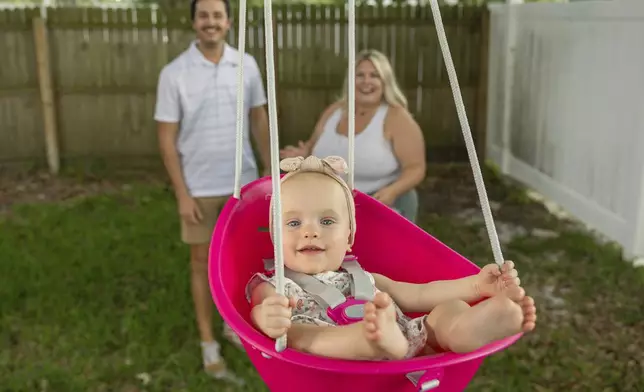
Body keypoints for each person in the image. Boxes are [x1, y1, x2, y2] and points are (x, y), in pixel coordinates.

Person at [246, 155, 537, 360]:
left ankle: (475, 325)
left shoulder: (363, 277)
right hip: (332, 354)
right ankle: (370, 341)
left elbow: (420, 294)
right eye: (294, 223)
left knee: (447, 309)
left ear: (349, 237)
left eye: (326, 222)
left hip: (405, 338)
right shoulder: (273, 284)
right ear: (275, 238)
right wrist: (266, 317)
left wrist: (475, 286)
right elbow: (258, 309)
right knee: (298, 334)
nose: (310, 232)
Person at [154, 0, 271, 377]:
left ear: (228, 22)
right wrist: (182, 194)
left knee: (242, 260)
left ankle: (233, 325)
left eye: (217, 16)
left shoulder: (247, 65)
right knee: (201, 263)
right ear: (193, 23)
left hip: (244, 184)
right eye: (203, 16)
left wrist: (269, 172)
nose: (210, 22)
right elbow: (166, 139)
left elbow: (259, 119)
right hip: (200, 186)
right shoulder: (174, 74)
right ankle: (208, 343)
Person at [279, 49, 426, 223]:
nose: (366, 81)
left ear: (385, 82)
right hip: (329, 204)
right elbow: (312, 147)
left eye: (374, 75)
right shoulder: (334, 111)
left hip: (380, 205)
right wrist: (302, 154)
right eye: (360, 75)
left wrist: (392, 191)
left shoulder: (397, 118)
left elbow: (416, 168)